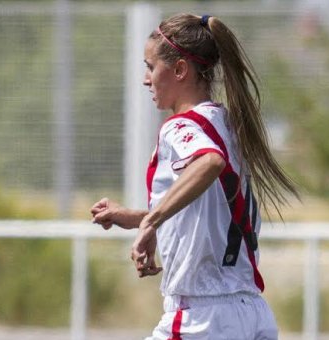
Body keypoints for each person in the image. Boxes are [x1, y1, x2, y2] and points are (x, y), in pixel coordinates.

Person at [91, 13, 298, 340]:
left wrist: (152, 221)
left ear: (179, 70)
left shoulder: (182, 127)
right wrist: (133, 217)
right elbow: (203, 213)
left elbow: (208, 162)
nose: (146, 79)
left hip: (201, 319)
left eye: (150, 67)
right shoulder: (229, 124)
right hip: (252, 314)